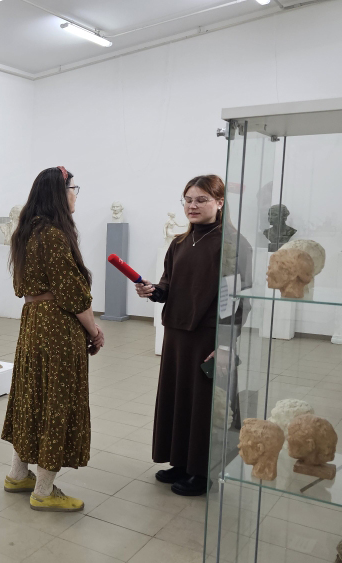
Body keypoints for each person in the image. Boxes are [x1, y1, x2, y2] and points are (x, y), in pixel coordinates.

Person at [2, 166, 103, 512]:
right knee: (56, 401)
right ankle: (44, 491)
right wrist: (94, 330)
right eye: (73, 188)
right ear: (61, 193)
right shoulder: (54, 235)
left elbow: (22, 286)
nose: (75, 195)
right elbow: (72, 293)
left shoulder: (26, 232)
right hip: (57, 327)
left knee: (32, 396)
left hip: (33, 323)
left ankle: (17, 474)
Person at [135, 175, 227, 496]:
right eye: (188, 199)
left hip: (206, 336)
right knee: (177, 398)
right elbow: (167, 286)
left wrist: (225, 344)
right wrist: (153, 290)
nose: (192, 205)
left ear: (219, 202)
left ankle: (201, 472)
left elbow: (238, 300)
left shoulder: (230, 245)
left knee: (201, 405)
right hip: (176, 334)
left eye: (201, 199)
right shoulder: (178, 243)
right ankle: (180, 462)